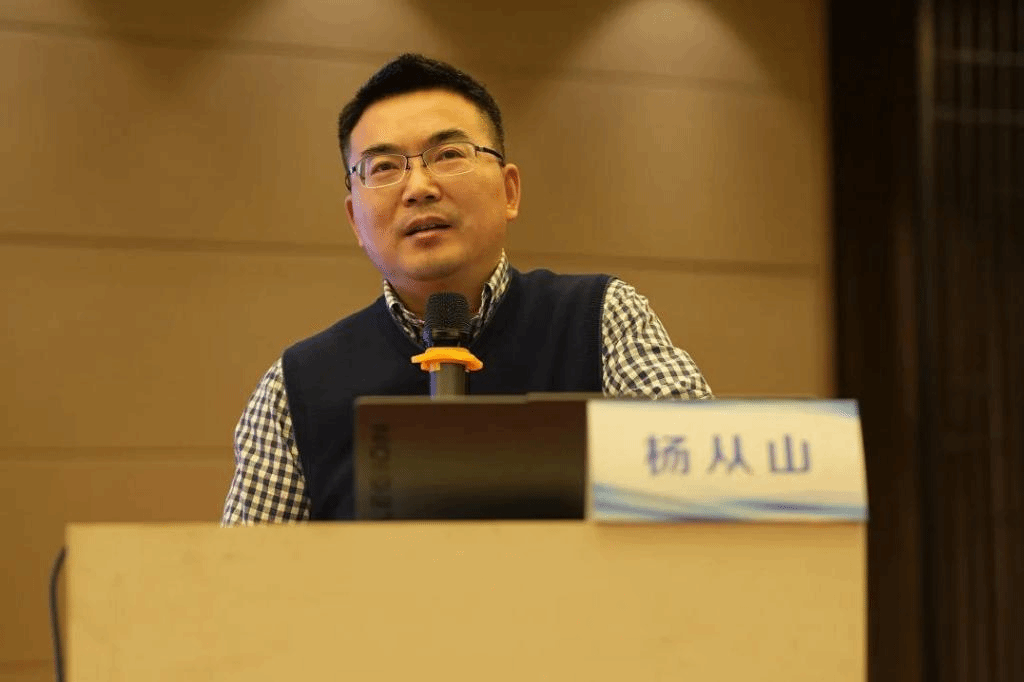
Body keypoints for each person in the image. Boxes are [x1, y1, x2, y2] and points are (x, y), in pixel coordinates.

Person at [222, 53, 712, 524]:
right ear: (355, 219)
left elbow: (702, 486)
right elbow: (243, 572)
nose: (419, 187)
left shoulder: (601, 319)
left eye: (448, 155)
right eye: (384, 167)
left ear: (509, 191)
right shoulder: (296, 387)